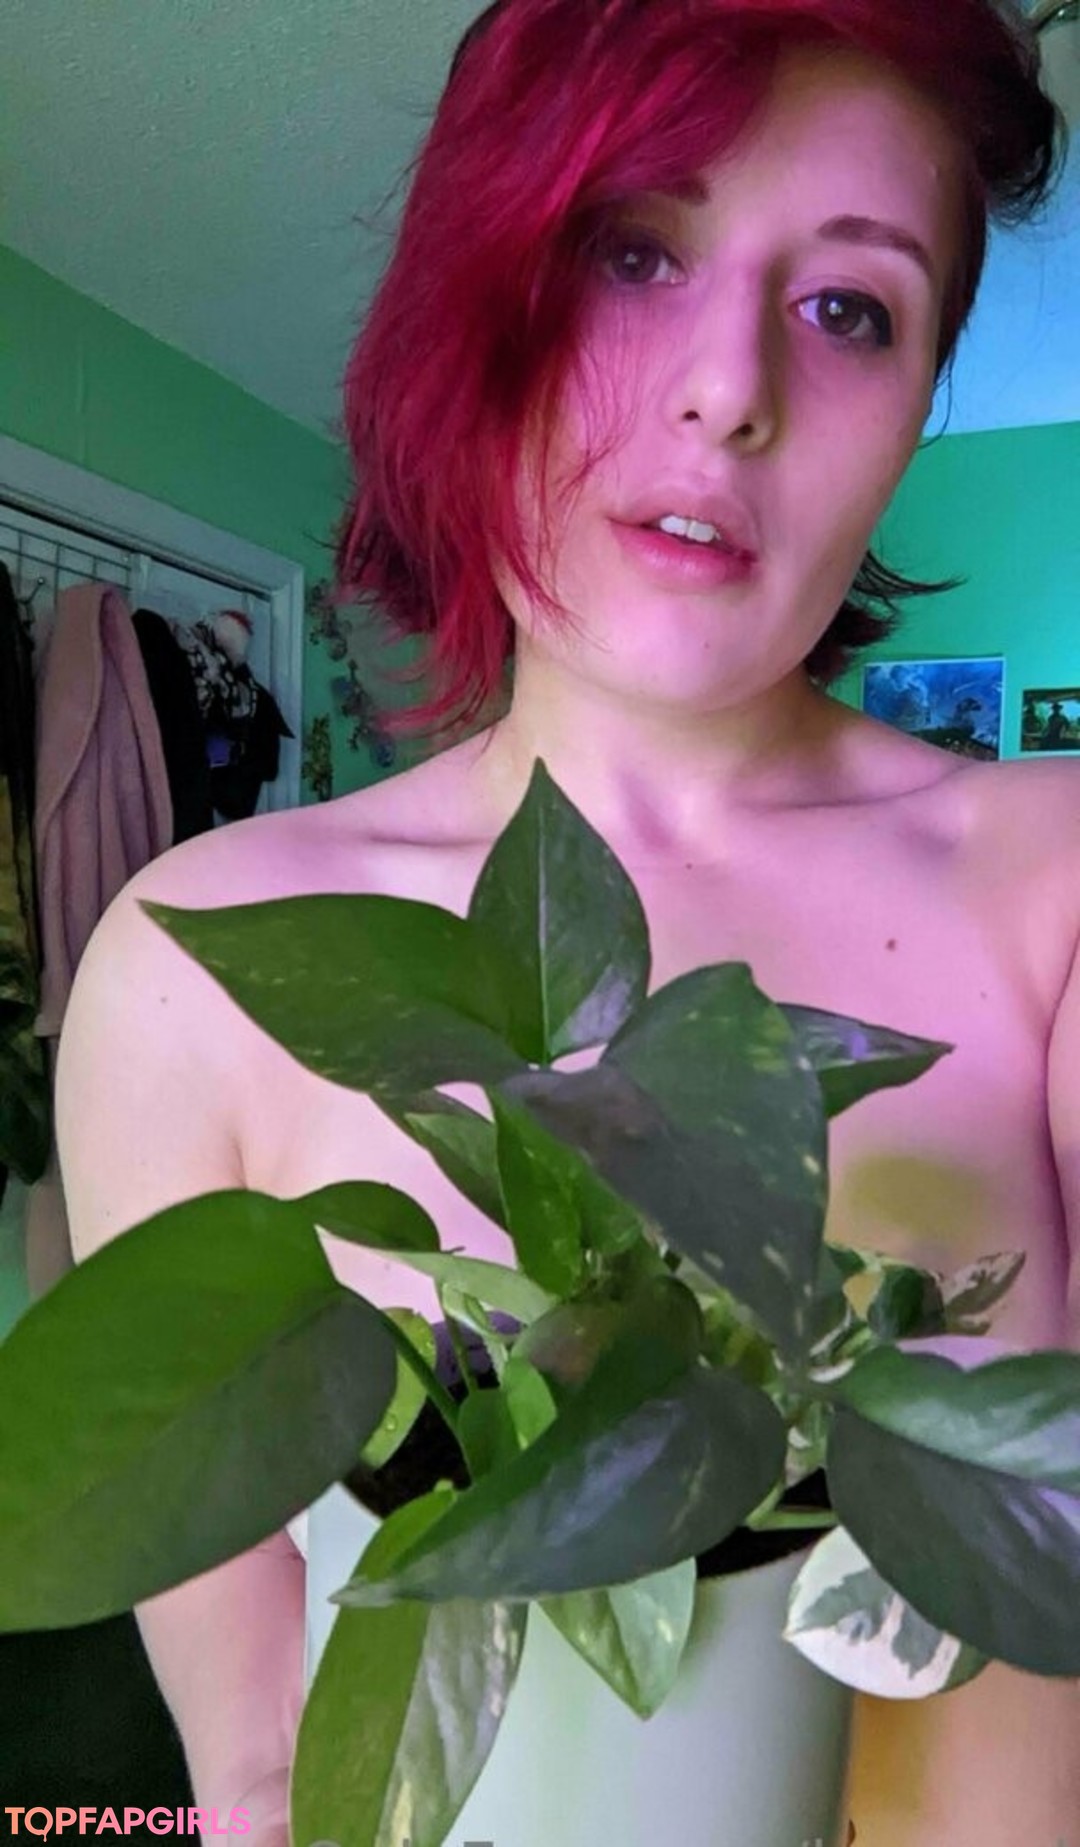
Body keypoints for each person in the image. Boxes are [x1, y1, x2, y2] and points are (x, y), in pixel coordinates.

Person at [56, 1, 1078, 1842]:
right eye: (634, 251)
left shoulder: (1054, 893)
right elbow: (267, 1780)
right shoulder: (196, 963)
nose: (730, 389)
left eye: (850, 309)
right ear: (484, 294)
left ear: (917, 409)